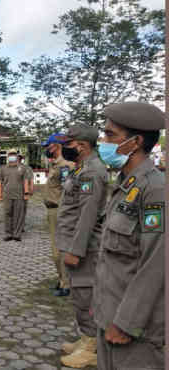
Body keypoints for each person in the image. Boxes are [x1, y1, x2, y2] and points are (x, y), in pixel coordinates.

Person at [93, 102, 165, 370]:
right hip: (108, 313)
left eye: (111, 135)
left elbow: (156, 265)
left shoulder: (155, 191)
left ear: (135, 142)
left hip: (134, 328)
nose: (103, 141)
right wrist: (99, 307)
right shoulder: (125, 185)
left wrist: (126, 323)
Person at [56, 123, 108, 368]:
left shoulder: (92, 172)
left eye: (68, 144)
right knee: (79, 294)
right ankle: (86, 337)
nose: (65, 148)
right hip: (72, 242)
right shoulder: (82, 169)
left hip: (83, 247)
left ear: (82, 145)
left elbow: (88, 214)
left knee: (86, 294)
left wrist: (76, 250)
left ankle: (92, 347)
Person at [41, 134, 75, 297]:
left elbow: (67, 191)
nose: (46, 149)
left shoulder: (64, 166)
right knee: (56, 250)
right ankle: (62, 280)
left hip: (60, 211)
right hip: (53, 210)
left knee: (60, 251)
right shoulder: (55, 164)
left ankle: (66, 284)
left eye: (48, 146)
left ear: (56, 146)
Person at [0, 152, 29, 242]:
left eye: (13, 154)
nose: (12, 156)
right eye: (10, 155)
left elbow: (25, 181)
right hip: (7, 195)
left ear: (16, 156)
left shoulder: (22, 168)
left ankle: (17, 234)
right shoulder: (3, 168)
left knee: (18, 215)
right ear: (8, 157)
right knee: (7, 214)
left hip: (19, 195)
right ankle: (8, 234)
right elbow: (0, 182)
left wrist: (26, 193)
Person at [18, 154, 34, 233]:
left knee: (23, 209)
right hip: (15, 191)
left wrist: (31, 189)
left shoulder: (27, 168)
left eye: (19, 158)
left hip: (24, 191)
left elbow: (31, 179)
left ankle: (21, 225)